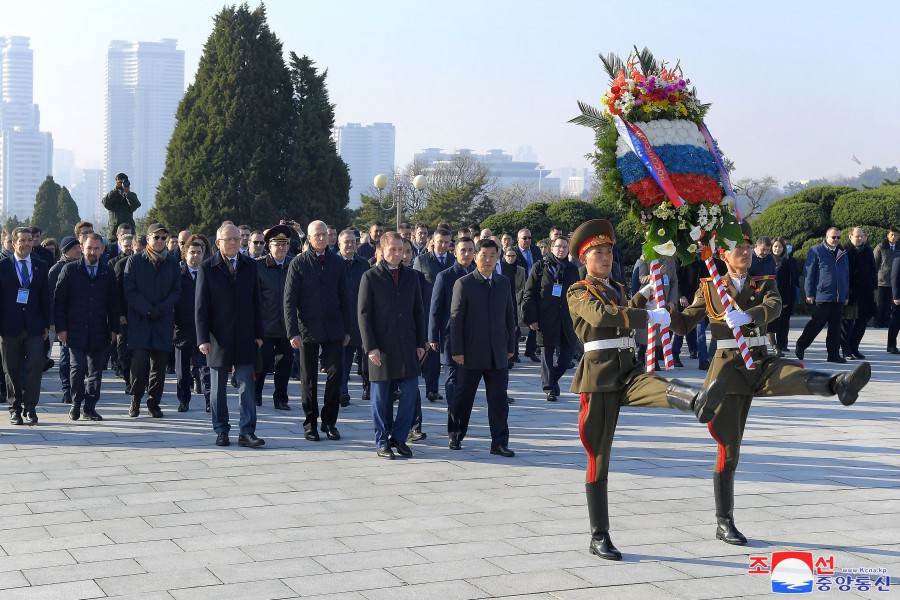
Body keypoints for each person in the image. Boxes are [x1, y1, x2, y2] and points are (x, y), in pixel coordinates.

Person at [670, 219, 869, 547]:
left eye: (748, 247)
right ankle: (724, 521)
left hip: (760, 359)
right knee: (728, 448)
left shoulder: (764, 282)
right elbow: (685, 324)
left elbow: (774, 308)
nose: (746, 252)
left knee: (793, 374)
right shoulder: (710, 287)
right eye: (739, 248)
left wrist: (749, 317)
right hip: (727, 371)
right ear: (723, 253)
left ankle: (839, 384)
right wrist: (663, 312)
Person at [567, 219, 724, 561]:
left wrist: (644, 295)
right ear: (585, 258)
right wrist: (647, 313)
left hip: (628, 369)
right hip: (598, 380)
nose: (605, 258)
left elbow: (624, 306)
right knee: (599, 458)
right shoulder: (579, 290)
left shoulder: (619, 289)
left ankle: (697, 400)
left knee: (658, 385)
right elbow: (602, 316)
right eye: (598, 253)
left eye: (608, 251)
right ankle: (599, 535)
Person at [358, 232, 427, 459]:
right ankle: (381, 440)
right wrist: (371, 347)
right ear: (382, 250)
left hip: (407, 345)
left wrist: (420, 342)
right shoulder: (370, 277)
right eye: (393, 250)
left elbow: (419, 311)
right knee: (381, 396)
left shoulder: (412, 277)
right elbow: (364, 314)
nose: (398, 254)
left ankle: (399, 436)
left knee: (410, 391)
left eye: (402, 250)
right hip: (382, 347)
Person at [196, 224, 265, 448]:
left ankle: (246, 432)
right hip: (218, 337)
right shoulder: (207, 267)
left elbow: (257, 301)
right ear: (218, 243)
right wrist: (202, 338)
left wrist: (258, 333)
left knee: (247, 387)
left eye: (237, 239)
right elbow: (201, 306)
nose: (234, 243)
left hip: (245, 335)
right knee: (218, 389)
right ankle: (221, 430)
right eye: (229, 240)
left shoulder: (250, 265)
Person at [447, 239, 517, 457]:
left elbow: (509, 315)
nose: (488, 260)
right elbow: (456, 319)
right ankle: (456, 434)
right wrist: (457, 350)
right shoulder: (464, 283)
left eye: (492, 255)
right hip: (470, 352)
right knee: (463, 397)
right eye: (483, 255)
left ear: (498, 258)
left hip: (497, 353)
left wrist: (510, 346)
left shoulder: (503, 283)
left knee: (498, 399)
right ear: (475, 257)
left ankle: (499, 442)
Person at [284, 220, 352, 442]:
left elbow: (345, 298)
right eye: (318, 235)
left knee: (336, 373)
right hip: (308, 329)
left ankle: (329, 422)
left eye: (325, 234)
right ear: (309, 238)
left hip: (333, 328)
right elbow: (289, 301)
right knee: (309, 379)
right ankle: (310, 423)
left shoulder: (337, 262)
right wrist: (292, 332)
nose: (322, 238)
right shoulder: (299, 263)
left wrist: (348, 329)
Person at [54, 233, 120, 421]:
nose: (92, 252)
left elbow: (113, 303)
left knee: (95, 371)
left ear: (102, 250)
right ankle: (76, 402)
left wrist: (115, 329)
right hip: (74, 329)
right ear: (82, 248)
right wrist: (61, 328)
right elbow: (59, 302)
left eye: (96, 248)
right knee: (78, 367)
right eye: (89, 248)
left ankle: (90, 407)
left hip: (99, 330)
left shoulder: (107, 272)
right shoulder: (69, 270)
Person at [123, 223, 182, 418]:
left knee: (159, 365)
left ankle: (154, 401)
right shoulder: (135, 261)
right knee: (139, 362)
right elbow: (130, 291)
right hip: (141, 319)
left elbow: (176, 290)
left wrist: (161, 309)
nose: (159, 241)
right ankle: (136, 398)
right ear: (147, 239)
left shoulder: (172, 262)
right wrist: (148, 310)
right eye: (155, 237)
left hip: (162, 320)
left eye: (163, 238)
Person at [1, 227, 51, 425]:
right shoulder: (3, 266)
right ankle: (15, 409)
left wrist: (47, 324)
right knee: (11, 370)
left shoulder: (40, 265)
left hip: (34, 327)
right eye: (22, 240)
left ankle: (31, 407)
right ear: (14, 243)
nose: (27, 244)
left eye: (29, 240)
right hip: (9, 328)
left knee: (35, 368)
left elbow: (45, 297)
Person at [522, 236, 580, 401]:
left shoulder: (572, 269)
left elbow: (577, 294)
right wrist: (531, 318)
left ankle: (551, 378)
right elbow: (529, 293)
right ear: (551, 248)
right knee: (547, 352)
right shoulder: (540, 267)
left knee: (568, 353)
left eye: (564, 247)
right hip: (546, 316)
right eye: (558, 246)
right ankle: (549, 388)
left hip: (566, 317)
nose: (561, 250)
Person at [428, 237, 476, 418]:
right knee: (453, 378)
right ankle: (453, 413)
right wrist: (433, 336)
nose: (467, 254)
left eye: (470, 250)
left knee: (467, 379)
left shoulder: (477, 274)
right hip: (450, 335)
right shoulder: (445, 276)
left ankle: (462, 412)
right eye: (463, 250)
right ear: (454, 252)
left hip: (472, 336)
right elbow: (435, 308)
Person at [412, 228, 455, 402]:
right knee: (430, 353)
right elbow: (416, 289)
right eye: (440, 242)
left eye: (447, 242)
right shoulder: (421, 261)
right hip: (428, 312)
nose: (443, 245)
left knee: (448, 354)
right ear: (433, 242)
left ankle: (451, 388)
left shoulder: (454, 260)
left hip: (449, 314)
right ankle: (431, 388)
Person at [795, 228, 849, 363]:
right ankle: (801, 345)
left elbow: (846, 275)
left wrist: (845, 294)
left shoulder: (843, 252)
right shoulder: (816, 250)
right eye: (833, 237)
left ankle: (833, 355)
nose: (836, 240)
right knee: (816, 324)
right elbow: (809, 274)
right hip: (822, 295)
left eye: (838, 237)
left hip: (838, 297)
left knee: (835, 328)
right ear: (826, 237)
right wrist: (809, 293)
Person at [254, 225, 294, 411]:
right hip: (265, 325)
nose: (281, 248)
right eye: (277, 244)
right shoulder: (258, 266)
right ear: (269, 246)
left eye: (284, 244)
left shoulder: (294, 265)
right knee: (262, 362)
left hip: (287, 326)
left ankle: (281, 397)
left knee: (285, 363)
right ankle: (256, 393)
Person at [173, 234, 210, 413]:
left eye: (199, 252)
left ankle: (210, 400)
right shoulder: (178, 275)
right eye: (192, 252)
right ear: (185, 254)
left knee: (206, 368)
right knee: (182, 371)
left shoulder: (209, 274)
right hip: (182, 329)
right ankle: (183, 400)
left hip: (204, 330)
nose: (195, 255)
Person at [336, 228, 370, 406]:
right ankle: (342, 391)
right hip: (341, 318)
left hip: (360, 317)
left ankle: (368, 386)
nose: (350, 245)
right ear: (339, 244)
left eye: (353, 242)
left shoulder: (363, 264)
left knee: (365, 358)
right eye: (346, 242)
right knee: (344, 358)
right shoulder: (333, 262)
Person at [49, 236, 83, 405]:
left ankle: (79, 388)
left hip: (82, 320)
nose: (78, 250)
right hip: (64, 320)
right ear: (65, 251)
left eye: (79, 246)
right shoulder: (56, 270)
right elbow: (51, 298)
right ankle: (66, 390)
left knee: (81, 358)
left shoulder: (84, 266)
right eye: (73, 247)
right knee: (66, 356)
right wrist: (53, 321)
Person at [842, 227, 877, 360]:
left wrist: (874, 288)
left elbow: (872, 270)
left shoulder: (868, 250)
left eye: (862, 236)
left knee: (863, 321)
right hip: (850, 291)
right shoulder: (844, 249)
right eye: (857, 236)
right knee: (847, 322)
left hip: (865, 291)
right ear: (850, 237)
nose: (860, 238)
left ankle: (854, 347)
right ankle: (846, 350)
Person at [768, 237, 799, 356]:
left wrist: (790, 298)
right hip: (770, 295)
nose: (778, 249)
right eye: (775, 246)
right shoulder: (767, 260)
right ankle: (775, 346)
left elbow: (792, 281)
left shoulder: (790, 261)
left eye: (780, 247)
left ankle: (782, 345)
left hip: (786, 295)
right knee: (771, 323)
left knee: (784, 322)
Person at [514, 228, 542, 362]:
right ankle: (513, 352)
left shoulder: (535, 250)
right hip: (520, 289)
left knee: (534, 318)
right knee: (517, 320)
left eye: (529, 238)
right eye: (524, 238)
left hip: (535, 288)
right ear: (518, 239)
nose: (527, 240)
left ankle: (530, 351)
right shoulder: (514, 252)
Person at [873, 227, 899, 328]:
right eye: (892, 234)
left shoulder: (899, 248)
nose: (894, 237)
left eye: (896, 235)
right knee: (879, 303)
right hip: (880, 280)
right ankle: (878, 322)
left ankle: (886, 322)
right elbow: (874, 263)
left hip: (894, 281)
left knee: (889, 303)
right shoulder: (880, 247)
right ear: (887, 235)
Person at [888, 255, 900, 354]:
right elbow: (894, 278)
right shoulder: (898, 258)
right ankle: (891, 345)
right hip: (899, 298)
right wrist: (895, 296)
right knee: (896, 322)